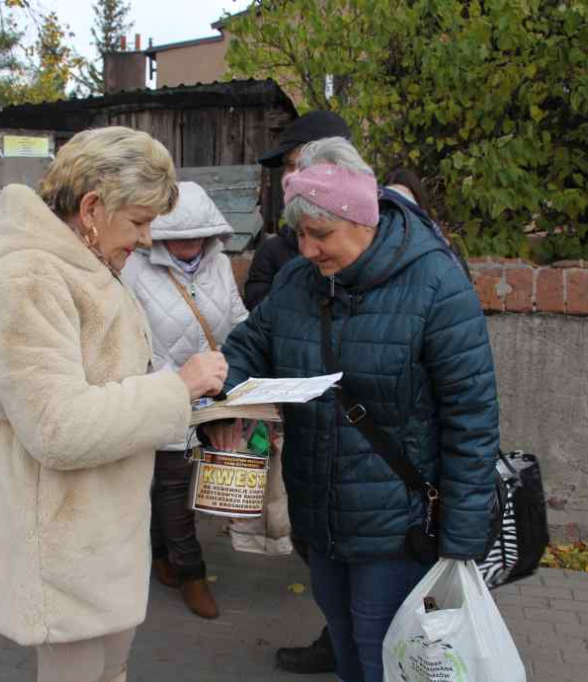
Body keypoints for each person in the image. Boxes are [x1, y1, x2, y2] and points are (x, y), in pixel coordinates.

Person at [206, 137, 500, 682]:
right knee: (345, 645)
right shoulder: (298, 281)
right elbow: (250, 345)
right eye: (300, 235)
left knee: (383, 653)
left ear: (363, 219)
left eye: (321, 235)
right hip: (320, 512)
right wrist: (224, 398)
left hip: (399, 525)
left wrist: (461, 538)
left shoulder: (437, 285)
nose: (309, 250)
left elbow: (472, 419)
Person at [0, 126, 227, 682]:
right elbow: (57, 427)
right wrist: (177, 389)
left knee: (111, 669)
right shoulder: (28, 279)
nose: (147, 239)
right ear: (91, 208)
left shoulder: (79, 263)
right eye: (138, 221)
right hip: (60, 532)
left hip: (93, 524)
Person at [244, 110, 353, 674]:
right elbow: (258, 328)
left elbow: (464, 399)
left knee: (380, 613)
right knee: (321, 555)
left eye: (290, 166)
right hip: (312, 445)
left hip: (376, 472)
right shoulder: (282, 258)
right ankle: (337, 638)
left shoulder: (416, 258)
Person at [121, 181, 248, 620]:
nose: (190, 244)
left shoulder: (219, 266)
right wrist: (169, 384)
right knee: (173, 485)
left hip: (211, 398)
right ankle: (192, 572)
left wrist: (238, 373)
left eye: (199, 234)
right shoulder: (133, 269)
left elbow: (237, 321)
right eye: (180, 236)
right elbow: (127, 339)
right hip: (164, 395)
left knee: (174, 485)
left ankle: (161, 559)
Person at [244, 111, 352, 313]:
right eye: (287, 167)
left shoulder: (387, 250)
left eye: (298, 165)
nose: (287, 178)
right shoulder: (272, 251)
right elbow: (259, 321)